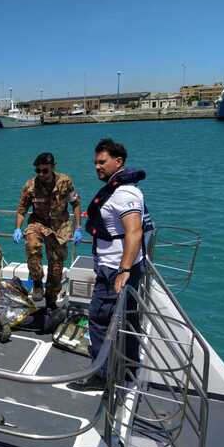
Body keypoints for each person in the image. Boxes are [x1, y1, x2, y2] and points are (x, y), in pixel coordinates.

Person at [69, 138, 149, 392]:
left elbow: (134, 233)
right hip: (114, 266)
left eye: (102, 162)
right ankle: (127, 369)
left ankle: (102, 376)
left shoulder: (125, 193)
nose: (97, 167)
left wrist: (124, 270)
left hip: (116, 270)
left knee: (100, 318)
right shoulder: (119, 189)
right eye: (95, 163)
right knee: (126, 318)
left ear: (119, 162)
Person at [13, 152, 82, 308]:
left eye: (45, 171)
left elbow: (75, 203)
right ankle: (37, 282)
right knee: (32, 247)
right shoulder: (30, 186)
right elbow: (21, 209)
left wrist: (78, 227)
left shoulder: (65, 182)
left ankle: (51, 299)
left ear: (53, 168)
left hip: (59, 226)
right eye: (38, 171)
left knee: (56, 266)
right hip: (38, 223)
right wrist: (17, 228)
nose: (41, 174)